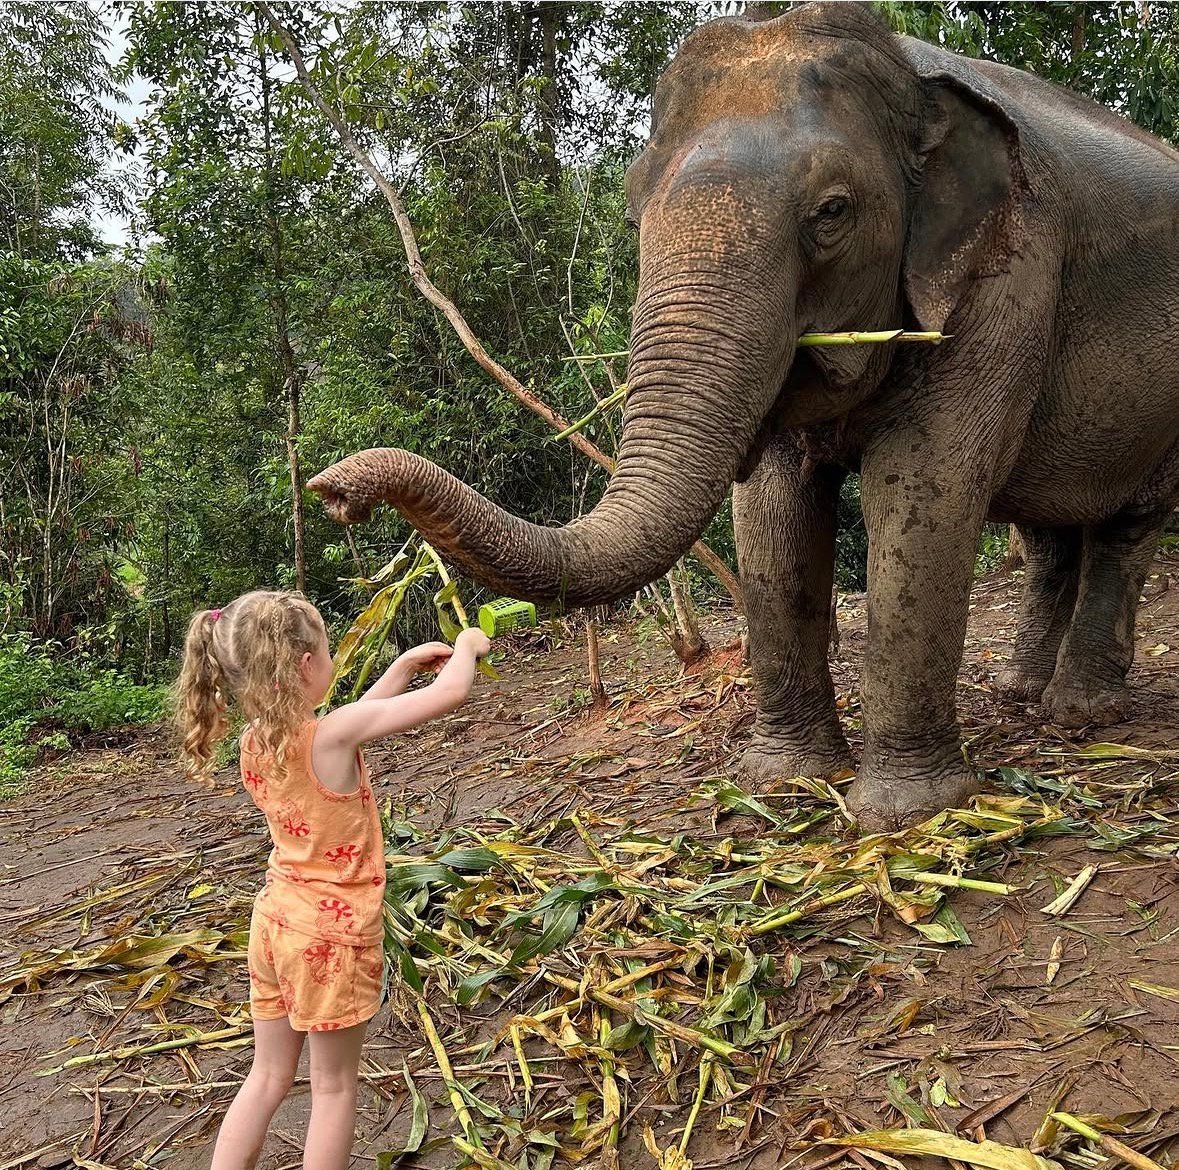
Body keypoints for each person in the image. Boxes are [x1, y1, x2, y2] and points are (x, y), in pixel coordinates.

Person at [174, 589, 491, 1170]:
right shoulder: (331, 737)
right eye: (327, 651)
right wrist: (469, 645)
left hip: (274, 922)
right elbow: (452, 692)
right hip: (330, 938)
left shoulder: (257, 742)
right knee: (333, 1088)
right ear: (303, 666)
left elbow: (355, 723)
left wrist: (398, 668)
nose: (333, 662)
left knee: (267, 1074)